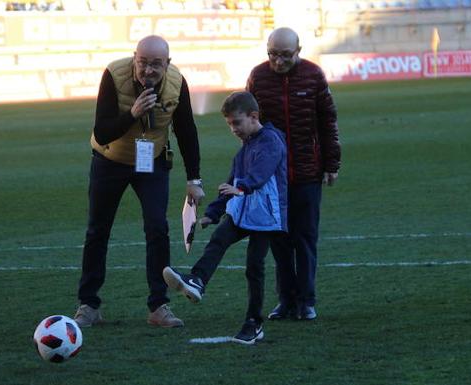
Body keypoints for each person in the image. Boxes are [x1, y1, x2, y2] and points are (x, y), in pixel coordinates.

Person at [74, 35, 205, 329]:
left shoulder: (176, 81)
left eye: (156, 64)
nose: (148, 70)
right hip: (110, 159)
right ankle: (89, 305)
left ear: (167, 64)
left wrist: (194, 178)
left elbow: (186, 130)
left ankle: (159, 306)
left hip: (152, 161)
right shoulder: (113, 75)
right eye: (143, 62)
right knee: (98, 230)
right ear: (134, 58)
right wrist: (132, 114)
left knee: (157, 228)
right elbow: (103, 130)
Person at [163, 91, 287, 344]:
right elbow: (230, 183)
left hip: (266, 215)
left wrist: (242, 188)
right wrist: (213, 212)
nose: (233, 129)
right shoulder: (244, 149)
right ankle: (197, 280)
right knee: (219, 238)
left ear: (254, 117)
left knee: (255, 267)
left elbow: (261, 173)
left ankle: (254, 323)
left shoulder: (271, 141)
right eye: (229, 124)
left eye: (237, 123)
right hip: (243, 210)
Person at [246, 27, 341, 321]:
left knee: (305, 238)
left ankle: (307, 300)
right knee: (279, 240)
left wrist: (332, 164)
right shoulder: (257, 77)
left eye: (285, 55)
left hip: (307, 171)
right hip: (273, 177)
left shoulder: (314, 76)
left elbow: (328, 122)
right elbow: (249, 125)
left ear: (298, 50)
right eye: (273, 54)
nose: (278, 61)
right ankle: (286, 300)